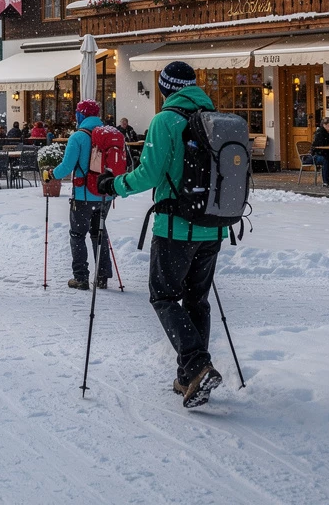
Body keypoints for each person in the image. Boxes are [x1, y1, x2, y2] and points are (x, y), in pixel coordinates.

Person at [97, 61, 225, 409]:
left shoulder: (165, 120)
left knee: (164, 297)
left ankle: (197, 365)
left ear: (165, 88)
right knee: (197, 300)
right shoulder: (214, 118)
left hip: (175, 226)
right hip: (214, 225)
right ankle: (189, 377)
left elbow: (149, 175)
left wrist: (114, 184)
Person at [47, 99, 114, 291]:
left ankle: (81, 277)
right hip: (105, 194)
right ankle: (102, 277)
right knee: (99, 234)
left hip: (83, 195)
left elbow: (67, 166)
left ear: (81, 115)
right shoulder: (109, 135)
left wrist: (51, 174)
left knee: (77, 235)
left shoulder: (78, 137)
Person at [312, 117, 329, 187]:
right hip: (317, 155)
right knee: (326, 160)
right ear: (324, 125)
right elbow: (320, 146)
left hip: (328, 153)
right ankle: (326, 181)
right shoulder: (320, 133)